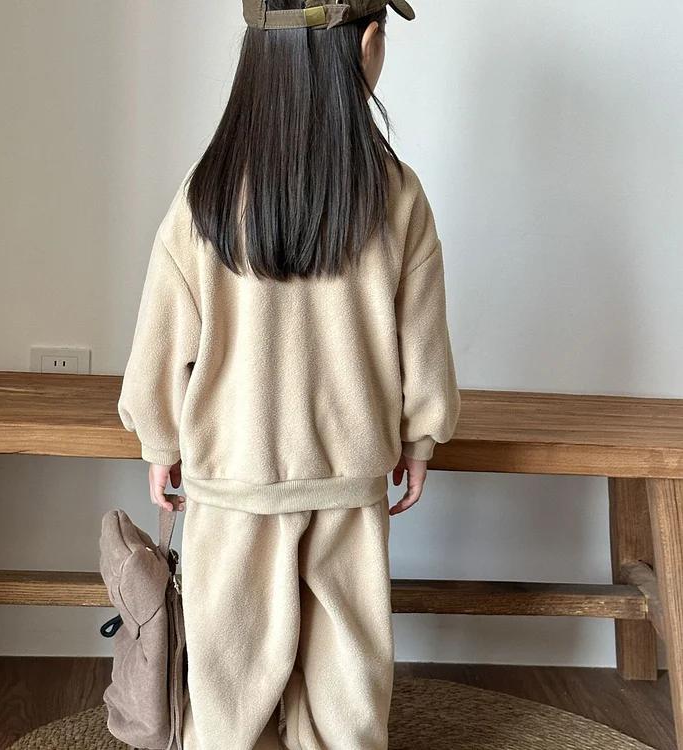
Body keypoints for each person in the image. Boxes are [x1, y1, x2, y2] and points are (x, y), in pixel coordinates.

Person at [117, 1, 460, 747]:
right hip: (348, 476)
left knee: (227, 675)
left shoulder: (205, 195)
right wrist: (420, 437)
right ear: (369, 44)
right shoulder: (397, 194)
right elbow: (423, 339)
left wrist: (160, 440)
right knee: (348, 678)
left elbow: (161, 340)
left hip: (232, 480)